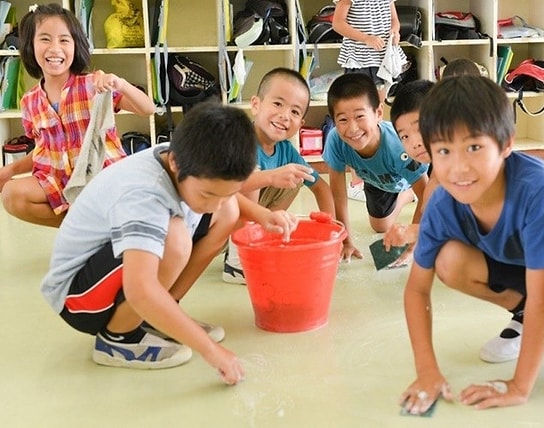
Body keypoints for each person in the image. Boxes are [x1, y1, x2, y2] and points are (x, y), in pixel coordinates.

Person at [40, 102, 298, 382]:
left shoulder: (184, 160)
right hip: (79, 299)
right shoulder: (145, 194)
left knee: (229, 211)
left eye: (228, 191)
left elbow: (224, 195)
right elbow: (140, 289)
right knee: (175, 240)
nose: (215, 202)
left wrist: (262, 215)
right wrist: (209, 349)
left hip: (110, 275)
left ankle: (159, 314)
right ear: (175, 163)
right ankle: (118, 338)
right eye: (208, 194)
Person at [400, 76, 544, 415]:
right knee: (449, 260)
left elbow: (543, 296)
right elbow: (417, 290)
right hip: (538, 264)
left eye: (474, 147)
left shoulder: (539, 191)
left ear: (506, 144)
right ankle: (520, 315)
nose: (459, 167)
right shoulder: (442, 204)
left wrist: (519, 386)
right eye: (444, 151)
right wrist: (427, 372)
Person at [0, 3, 155, 228]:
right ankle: (85, 230)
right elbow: (44, 149)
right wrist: (10, 170)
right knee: (12, 194)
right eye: (45, 39)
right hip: (58, 180)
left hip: (102, 176)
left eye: (64, 40)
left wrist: (119, 83)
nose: (55, 49)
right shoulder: (30, 101)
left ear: (76, 46)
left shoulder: (93, 84)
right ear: (30, 46)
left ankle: (95, 229)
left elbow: (147, 108)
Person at [223, 67, 334, 284]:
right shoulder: (240, 139)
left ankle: (261, 239)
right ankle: (237, 263)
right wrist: (271, 177)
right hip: (215, 221)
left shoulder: (285, 150)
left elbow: (321, 187)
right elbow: (226, 188)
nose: (284, 116)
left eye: (294, 112)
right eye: (277, 104)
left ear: (301, 123)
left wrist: (331, 234)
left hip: (247, 219)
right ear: (256, 105)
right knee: (253, 174)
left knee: (296, 175)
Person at [323, 73, 428, 261]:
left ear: (378, 113)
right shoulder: (335, 141)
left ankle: (407, 192)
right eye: (343, 120)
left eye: (360, 116)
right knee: (380, 227)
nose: (353, 128)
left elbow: (426, 196)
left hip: (407, 177)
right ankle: (405, 196)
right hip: (377, 180)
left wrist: (411, 244)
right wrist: (345, 241)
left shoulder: (398, 147)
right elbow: (338, 195)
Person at [332, 0, 404, 203]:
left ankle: (377, 178)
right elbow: (338, 23)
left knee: (375, 119)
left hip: (382, 58)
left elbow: (394, 19)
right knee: (357, 122)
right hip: (359, 61)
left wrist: (395, 32)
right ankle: (357, 182)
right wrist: (366, 38)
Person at [382, 80, 435, 262]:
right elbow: (426, 207)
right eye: (404, 136)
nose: (415, 143)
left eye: (420, 129)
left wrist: (414, 232)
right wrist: (410, 246)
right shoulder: (438, 173)